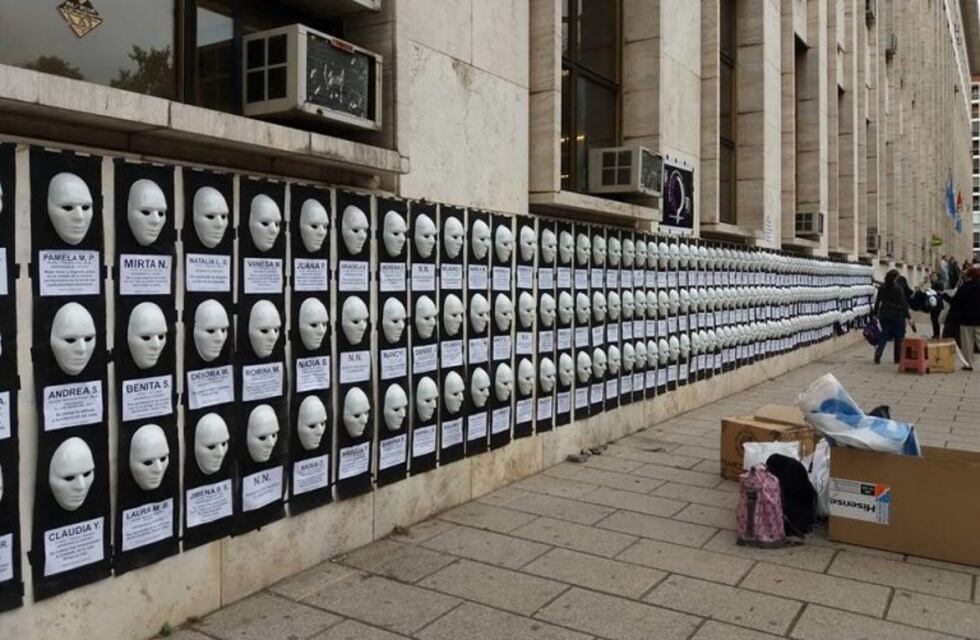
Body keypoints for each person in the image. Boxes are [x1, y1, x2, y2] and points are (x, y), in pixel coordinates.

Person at [873, 269, 915, 364]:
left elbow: (877, 302)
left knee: (884, 335)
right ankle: (897, 358)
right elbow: (903, 304)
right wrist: (909, 317)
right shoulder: (898, 288)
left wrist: (875, 314)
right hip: (897, 315)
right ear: (895, 278)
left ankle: (879, 352)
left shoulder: (882, 288)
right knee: (898, 337)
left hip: (884, 314)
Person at [945, 265, 980, 370]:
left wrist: (944, 296)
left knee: (967, 344)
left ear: (969, 277)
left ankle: (968, 364)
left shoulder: (964, 288)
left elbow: (954, 302)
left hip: (966, 319)